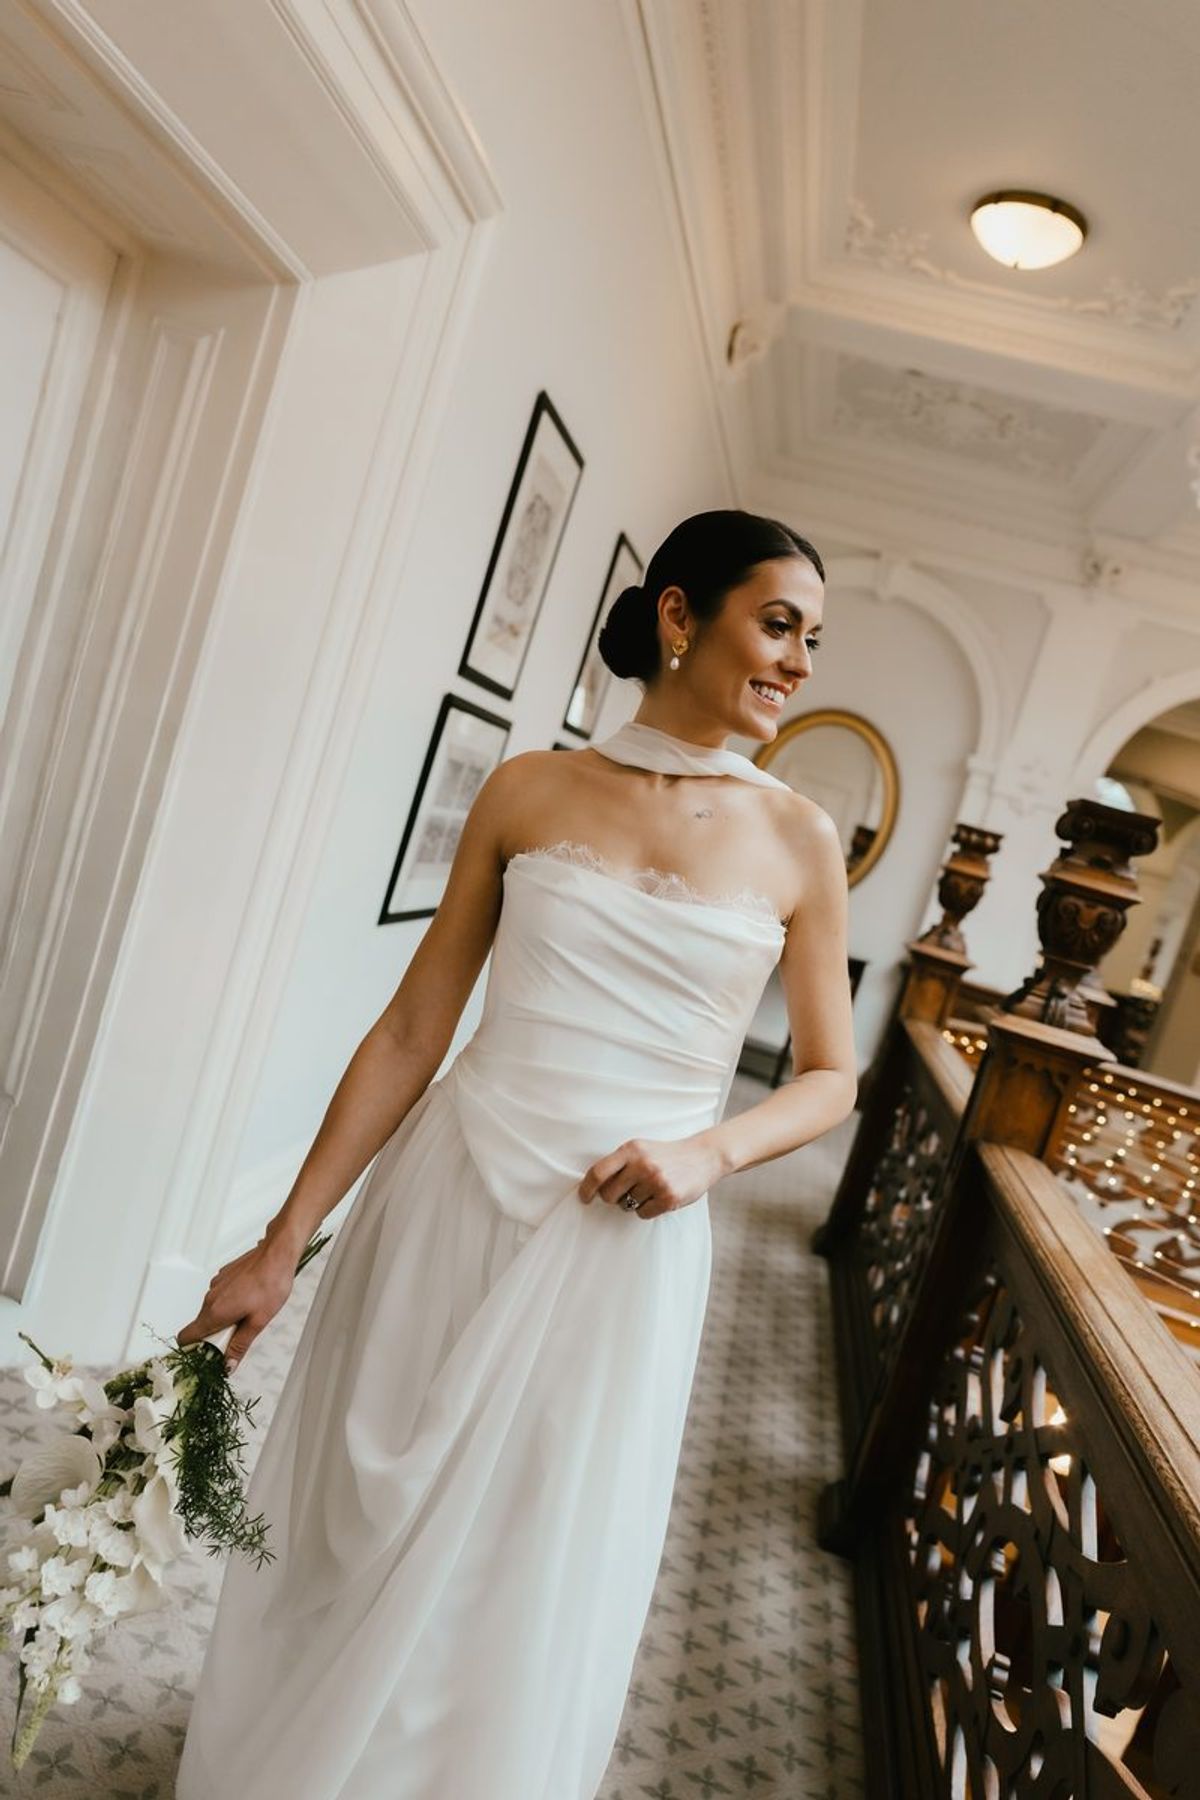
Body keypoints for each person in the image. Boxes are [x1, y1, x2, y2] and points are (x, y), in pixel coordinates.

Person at [173, 508, 857, 1800]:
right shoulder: (529, 789)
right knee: (360, 1514)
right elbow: (413, 1030)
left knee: (528, 1554)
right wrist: (282, 1241)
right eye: (779, 624)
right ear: (677, 614)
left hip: (624, 1242)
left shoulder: (799, 841)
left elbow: (831, 1077)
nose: (801, 663)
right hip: (454, 1192)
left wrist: (708, 1154)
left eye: (815, 641)